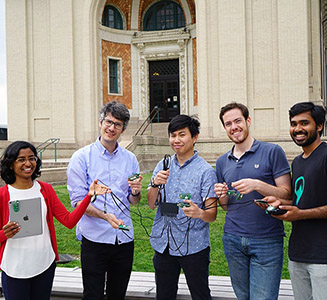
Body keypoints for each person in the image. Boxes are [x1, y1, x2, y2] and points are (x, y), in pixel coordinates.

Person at [0, 140, 109, 300]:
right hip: (14, 268)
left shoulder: (46, 190)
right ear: (11, 164)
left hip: (44, 265)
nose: (28, 163)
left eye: (32, 158)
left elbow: (69, 221)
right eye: (21, 159)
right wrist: (4, 234)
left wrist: (89, 196)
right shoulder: (3, 195)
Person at [214, 102, 291, 300]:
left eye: (238, 121)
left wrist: (257, 184)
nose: (234, 127)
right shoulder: (222, 161)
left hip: (266, 239)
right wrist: (221, 192)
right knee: (243, 297)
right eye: (228, 123)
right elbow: (225, 206)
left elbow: (287, 194)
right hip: (232, 239)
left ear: (248, 121)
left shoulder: (272, 151)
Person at [67, 100, 143, 300]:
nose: (111, 128)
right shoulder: (81, 157)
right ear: (100, 123)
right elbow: (77, 202)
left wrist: (135, 193)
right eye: (108, 122)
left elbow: (133, 201)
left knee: (118, 295)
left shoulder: (131, 159)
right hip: (94, 238)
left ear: (123, 129)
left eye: (117, 124)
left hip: (124, 238)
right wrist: (104, 216)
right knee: (93, 295)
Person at [147, 114, 217, 300]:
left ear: (194, 137)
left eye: (182, 134)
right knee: (164, 295)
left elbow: (212, 214)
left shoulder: (206, 172)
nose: (176, 140)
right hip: (164, 243)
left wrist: (199, 212)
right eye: (172, 135)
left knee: (200, 294)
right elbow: (151, 203)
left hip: (193, 246)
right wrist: (154, 184)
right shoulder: (163, 165)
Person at [262, 102, 327, 300]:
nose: (297, 129)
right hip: (298, 253)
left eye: (304, 123)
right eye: (293, 123)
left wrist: (301, 214)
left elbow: (304, 210)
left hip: (323, 257)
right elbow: (303, 198)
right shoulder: (298, 161)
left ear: (319, 126)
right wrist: (279, 203)